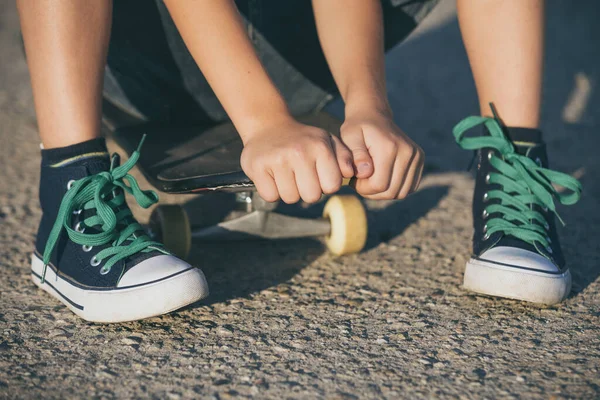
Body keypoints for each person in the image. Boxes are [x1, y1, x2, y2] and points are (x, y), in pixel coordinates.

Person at [17, 0, 581, 323]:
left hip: (287, 42)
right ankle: (71, 184)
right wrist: (262, 119)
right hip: (129, 46)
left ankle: (516, 159)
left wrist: (368, 104)